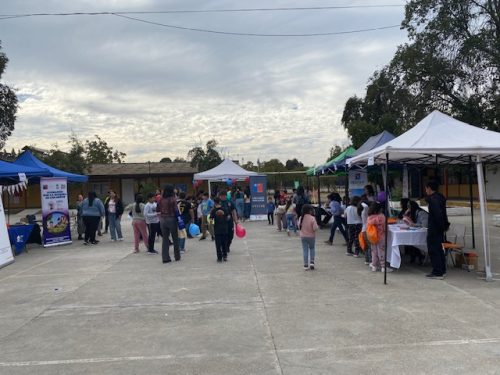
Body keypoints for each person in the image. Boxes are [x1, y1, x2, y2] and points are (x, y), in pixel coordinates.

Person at [425, 180, 449, 279]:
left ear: (429, 188)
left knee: (434, 249)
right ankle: (442, 270)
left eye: (426, 188)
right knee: (439, 249)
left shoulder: (433, 199)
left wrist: (439, 227)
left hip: (435, 228)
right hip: (440, 227)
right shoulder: (440, 197)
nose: (425, 190)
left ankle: (437, 272)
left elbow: (438, 214)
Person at [157, 184, 180, 263]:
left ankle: (165, 258)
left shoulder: (160, 199)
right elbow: (176, 210)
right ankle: (177, 256)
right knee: (175, 238)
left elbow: (157, 209)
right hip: (171, 218)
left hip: (162, 219)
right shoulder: (173, 199)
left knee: (165, 239)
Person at [367, 201, 392, 273]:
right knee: (382, 252)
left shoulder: (369, 217)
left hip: (372, 237)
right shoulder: (382, 216)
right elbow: (385, 227)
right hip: (381, 237)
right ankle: (383, 267)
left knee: (374, 252)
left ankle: (374, 266)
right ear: (379, 209)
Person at [298, 204, 319, 270]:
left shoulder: (301, 218)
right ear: (310, 211)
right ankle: (312, 263)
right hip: (311, 237)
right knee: (312, 248)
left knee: (305, 250)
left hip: (303, 237)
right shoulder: (312, 218)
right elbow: (315, 228)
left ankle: (305, 265)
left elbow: (299, 226)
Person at [210, 197, 229, 262]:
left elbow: (211, 220)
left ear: (214, 203)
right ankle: (225, 256)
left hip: (217, 229)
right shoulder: (224, 209)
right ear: (220, 202)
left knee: (218, 244)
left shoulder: (213, 211)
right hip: (224, 229)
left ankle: (219, 257)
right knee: (224, 243)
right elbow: (228, 217)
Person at [219, 190, 238, 254]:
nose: (223, 197)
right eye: (221, 196)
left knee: (230, 235)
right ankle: (224, 247)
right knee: (223, 235)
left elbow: (233, 211)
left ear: (226, 196)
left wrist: (235, 220)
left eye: (224, 196)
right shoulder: (218, 202)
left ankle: (228, 245)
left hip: (229, 222)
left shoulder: (230, 202)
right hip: (221, 222)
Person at [358, 195, 371, 265]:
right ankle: (370, 260)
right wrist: (362, 202)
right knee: (369, 246)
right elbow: (366, 206)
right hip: (366, 230)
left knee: (366, 246)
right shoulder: (365, 211)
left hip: (364, 230)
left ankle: (367, 260)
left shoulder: (362, 212)